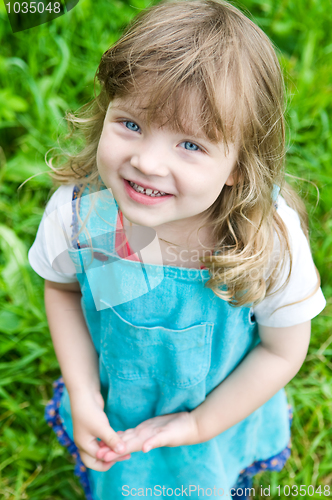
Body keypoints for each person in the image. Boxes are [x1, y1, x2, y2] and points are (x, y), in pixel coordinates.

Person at [28, 0, 326, 498]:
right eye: (131, 124)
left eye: (190, 145)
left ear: (238, 166)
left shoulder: (263, 240)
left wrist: (198, 425)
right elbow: (60, 291)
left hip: (220, 417)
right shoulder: (89, 217)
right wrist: (82, 394)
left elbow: (281, 352)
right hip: (118, 408)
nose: (146, 161)